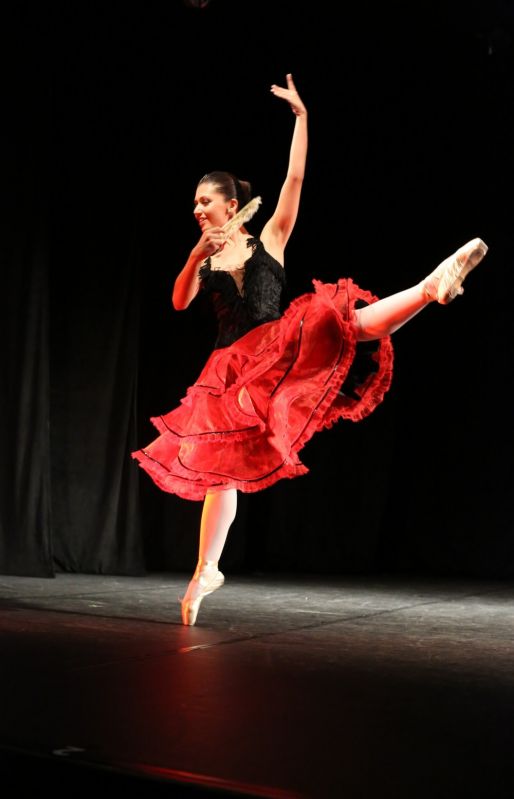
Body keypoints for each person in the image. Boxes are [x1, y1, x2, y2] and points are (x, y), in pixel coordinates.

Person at [132, 74, 488, 626]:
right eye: (194, 204)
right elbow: (179, 302)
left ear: (232, 203)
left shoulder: (270, 236)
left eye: (206, 202)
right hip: (233, 371)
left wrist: (302, 119)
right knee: (222, 471)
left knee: (344, 321)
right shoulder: (205, 260)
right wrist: (194, 254)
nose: (198, 209)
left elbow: (295, 177)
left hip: (279, 344)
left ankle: (430, 286)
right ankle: (207, 570)